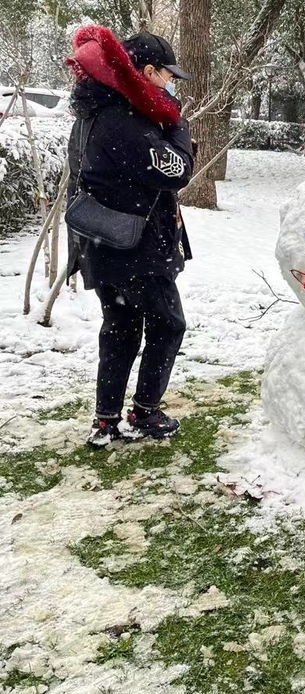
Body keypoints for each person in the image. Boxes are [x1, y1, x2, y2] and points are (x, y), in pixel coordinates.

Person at [65, 26, 194, 447]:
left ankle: (106, 420)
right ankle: (143, 413)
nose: (172, 83)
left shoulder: (101, 110)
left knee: (120, 327)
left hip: (111, 245)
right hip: (137, 249)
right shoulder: (124, 118)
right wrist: (178, 128)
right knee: (167, 326)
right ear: (148, 70)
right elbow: (175, 170)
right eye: (168, 75)